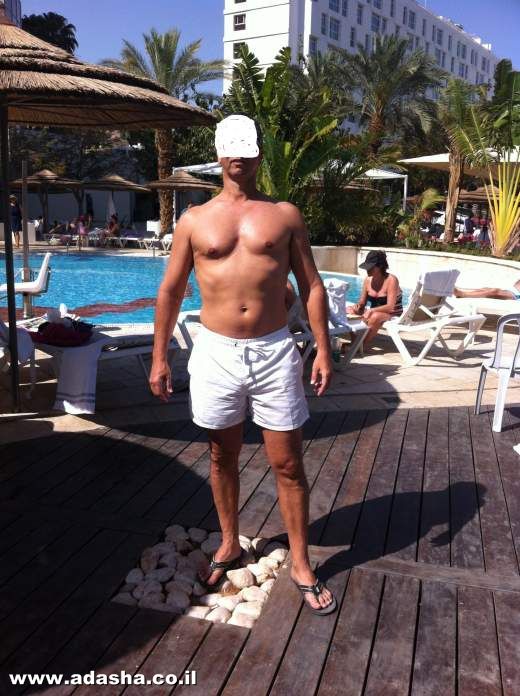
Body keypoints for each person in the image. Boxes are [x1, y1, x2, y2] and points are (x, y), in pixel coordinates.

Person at [150, 114, 336, 616]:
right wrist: (160, 356)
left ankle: (301, 561)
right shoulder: (194, 220)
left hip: (274, 350)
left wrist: (322, 347)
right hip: (216, 351)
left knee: (288, 462)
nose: (239, 156)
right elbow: (170, 291)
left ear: (258, 153)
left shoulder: (284, 215)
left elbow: (312, 285)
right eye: (231, 148)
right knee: (221, 456)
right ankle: (230, 542)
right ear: (218, 154)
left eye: (247, 147)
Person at [348, 250, 403, 348]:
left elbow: (390, 307)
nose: (367, 269)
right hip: (375, 312)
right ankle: (355, 343)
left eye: (371, 267)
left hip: (392, 314)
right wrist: (358, 306)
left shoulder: (391, 280)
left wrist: (371, 310)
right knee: (350, 311)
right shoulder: (367, 280)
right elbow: (362, 302)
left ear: (380, 266)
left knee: (375, 316)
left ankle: (360, 345)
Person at [454, 279, 520, 301]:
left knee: (494, 291)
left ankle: (462, 294)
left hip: (517, 296)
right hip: (514, 291)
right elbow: (516, 285)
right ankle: (462, 292)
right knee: (486, 289)